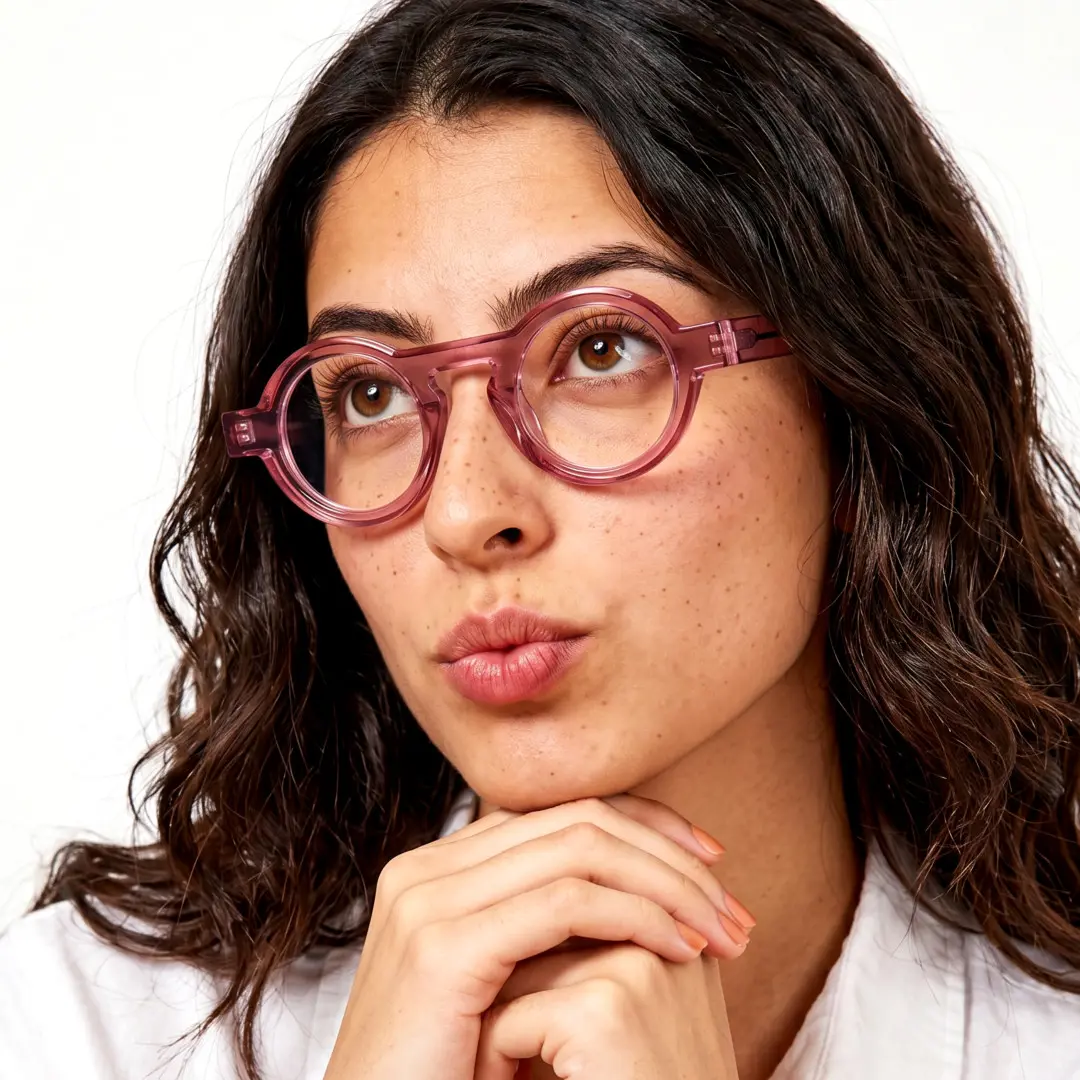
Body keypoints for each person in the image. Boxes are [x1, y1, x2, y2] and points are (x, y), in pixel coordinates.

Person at [2, 0, 1079, 1077]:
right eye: (370, 392)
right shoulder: (79, 1028)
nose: (467, 513)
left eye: (604, 348)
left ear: (857, 406)